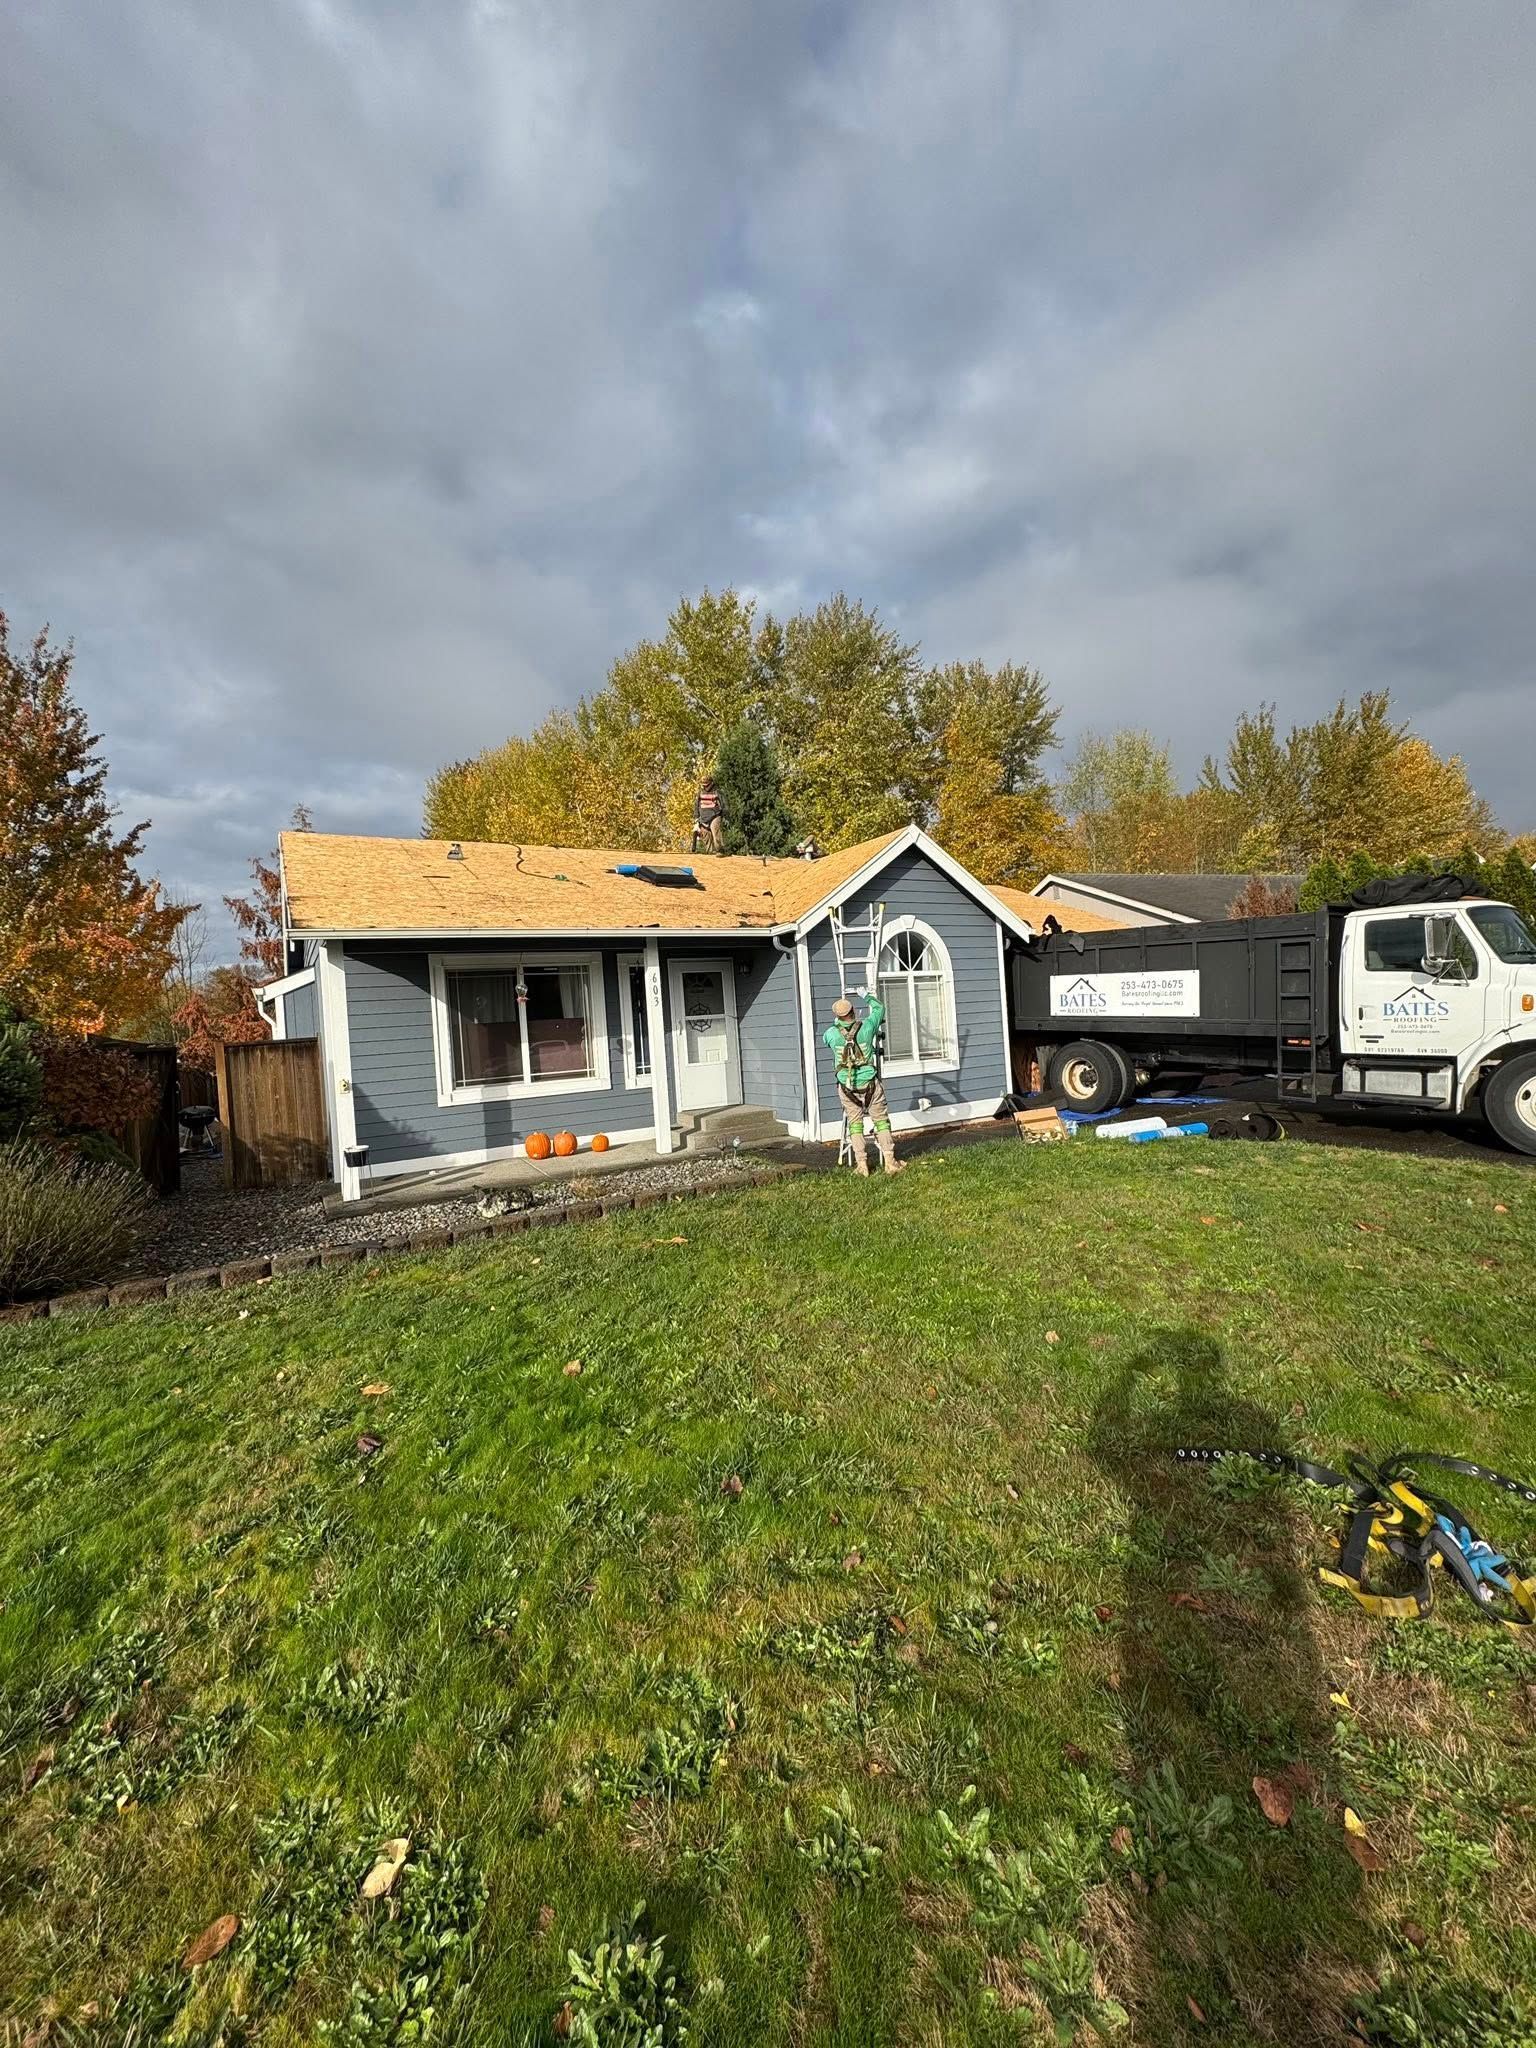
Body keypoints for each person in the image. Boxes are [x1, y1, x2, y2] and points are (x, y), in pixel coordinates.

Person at [823, 993, 904, 1176]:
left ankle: (862, 1165)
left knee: (855, 1124)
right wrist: (866, 996)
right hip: (870, 1085)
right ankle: (890, 1162)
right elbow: (880, 1008)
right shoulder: (867, 1027)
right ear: (853, 1012)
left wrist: (839, 1027)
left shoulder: (831, 1034)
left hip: (847, 1086)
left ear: (838, 1016)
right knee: (881, 1122)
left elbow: (827, 1041)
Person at [694, 775, 724, 853]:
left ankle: (719, 850)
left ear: (711, 783)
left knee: (715, 832)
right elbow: (696, 805)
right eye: (703, 785)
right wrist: (696, 817)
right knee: (706, 836)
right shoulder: (700, 792)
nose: (705, 786)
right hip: (703, 818)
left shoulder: (717, 792)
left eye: (706, 784)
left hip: (715, 815)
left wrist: (723, 813)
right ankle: (710, 852)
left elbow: (723, 804)